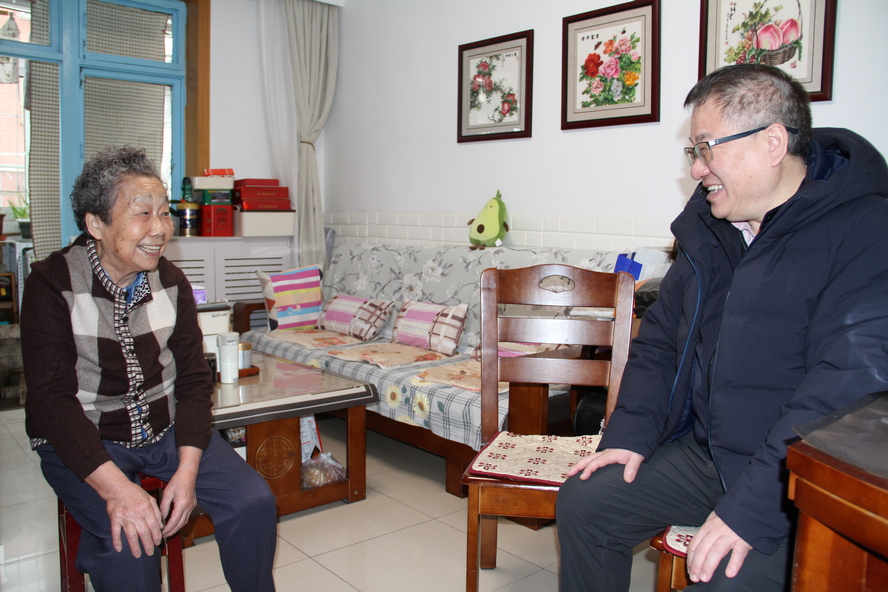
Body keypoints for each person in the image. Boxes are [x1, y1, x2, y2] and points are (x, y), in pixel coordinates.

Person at [557, 63, 888, 591]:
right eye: (694, 151)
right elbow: (660, 342)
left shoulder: (865, 230)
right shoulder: (709, 230)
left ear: (772, 143)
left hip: (796, 477)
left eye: (706, 148)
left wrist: (752, 509)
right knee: (587, 501)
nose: (696, 169)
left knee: (721, 578)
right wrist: (631, 434)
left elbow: (844, 386)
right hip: (709, 456)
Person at [22, 147, 278, 591]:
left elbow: (194, 382)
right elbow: (52, 402)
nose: (160, 229)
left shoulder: (172, 282)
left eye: (164, 212)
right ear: (96, 224)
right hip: (85, 434)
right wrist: (119, 491)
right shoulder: (52, 283)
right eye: (143, 213)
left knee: (252, 502)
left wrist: (188, 470)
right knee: (130, 546)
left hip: (165, 427)